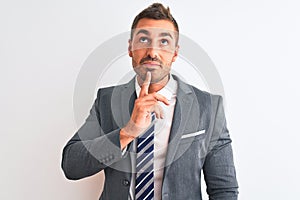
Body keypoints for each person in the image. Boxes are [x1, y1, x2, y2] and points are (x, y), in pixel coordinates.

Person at [62, 3, 238, 200]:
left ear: (175, 53)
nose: (152, 52)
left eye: (164, 42)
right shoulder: (106, 100)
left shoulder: (209, 107)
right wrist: (127, 133)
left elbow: (224, 190)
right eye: (143, 39)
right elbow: (71, 165)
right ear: (130, 48)